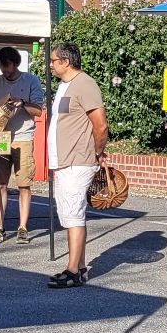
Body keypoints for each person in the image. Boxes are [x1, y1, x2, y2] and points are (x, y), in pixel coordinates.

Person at [44, 41, 107, 289]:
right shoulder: (65, 85)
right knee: (70, 214)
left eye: (53, 60)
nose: (50, 65)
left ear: (66, 62)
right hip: (64, 160)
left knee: (73, 215)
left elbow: (100, 124)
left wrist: (97, 151)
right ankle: (79, 268)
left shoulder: (85, 84)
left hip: (77, 160)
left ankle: (72, 271)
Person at [0, 47, 45, 241]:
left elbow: (38, 111)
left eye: (6, 65)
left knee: (23, 184)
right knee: (0, 184)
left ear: (15, 63)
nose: (4, 69)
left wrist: (22, 102)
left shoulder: (30, 80)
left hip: (23, 137)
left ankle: (22, 227)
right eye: (1, 64)